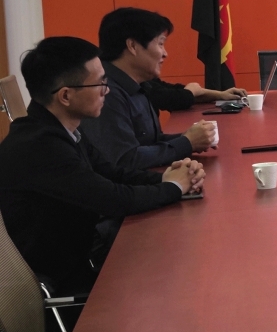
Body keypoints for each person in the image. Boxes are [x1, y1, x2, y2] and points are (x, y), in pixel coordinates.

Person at [0, 37, 203, 295]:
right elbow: (113, 199)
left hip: (84, 255)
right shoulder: (40, 147)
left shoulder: (61, 129)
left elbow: (113, 174)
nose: (106, 91)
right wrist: (174, 187)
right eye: (100, 83)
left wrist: (171, 178)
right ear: (65, 95)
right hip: (67, 280)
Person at [80, 8, 217, 170]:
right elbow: (124, 159)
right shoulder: (106, 92)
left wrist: (191, 138)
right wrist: (187, 142)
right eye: (160, 43)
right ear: (132, 46)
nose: (165, 54)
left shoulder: (139, 85)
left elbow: (151, 142)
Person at [143, 79, 248, 112]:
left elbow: (177, 91)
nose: (165, 53)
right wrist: (189, 92)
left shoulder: (149, 81)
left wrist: (221, 94)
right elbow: (172, 98)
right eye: (160, 44)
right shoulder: (140, 86)